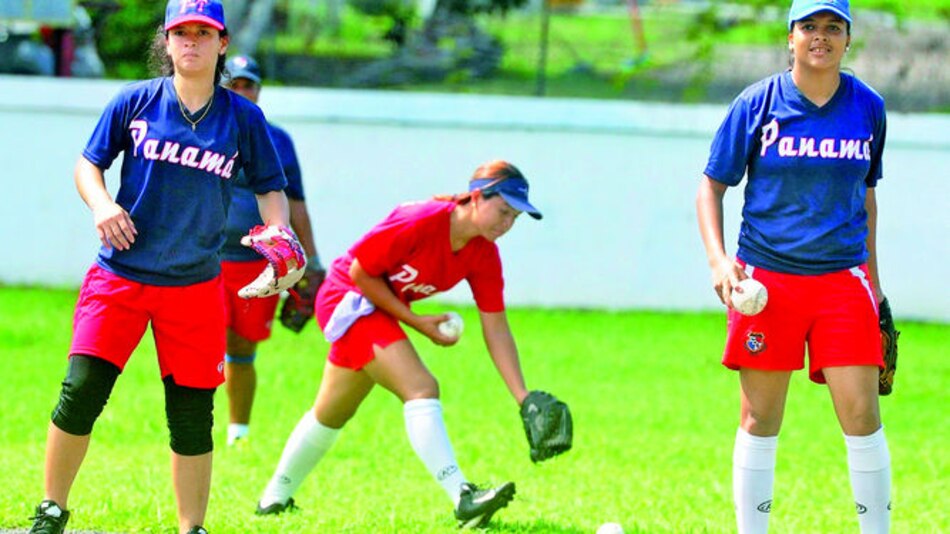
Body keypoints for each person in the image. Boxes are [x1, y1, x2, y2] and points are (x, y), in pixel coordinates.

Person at [27, 2, 300, 533]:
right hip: (121, 276)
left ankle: (191, 527)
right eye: (181, 32)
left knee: (192, 415)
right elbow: (89, 164)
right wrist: (103, 206)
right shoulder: (135, 100)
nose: (191, 42)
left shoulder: (242, 117)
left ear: (221, 43)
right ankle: (51, 509)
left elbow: (271, 188)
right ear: (167, 41)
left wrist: (279, 235)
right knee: (81, 391)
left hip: (196, 286)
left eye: (204, 32)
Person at [256, 160, 542, 529]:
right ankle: (463, 497)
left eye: (514, 218)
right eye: (503, 211)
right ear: (475, 197)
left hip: (379, 309)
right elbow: (361, 272)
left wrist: (523, 397)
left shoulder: (483, 253)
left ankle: (272, 500)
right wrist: (419, 325)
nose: (506, 224)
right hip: (348, 299)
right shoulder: (421, 219)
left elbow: (496, 326)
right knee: (421, 387)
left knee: (330, 413)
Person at [696, 1, 891, 533]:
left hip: (842, 280)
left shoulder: (868, 107)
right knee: (760, 418)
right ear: (790, 37)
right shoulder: (757, 103)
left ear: (849, 39)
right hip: (767, 278)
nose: (820, 37)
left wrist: (874, 288)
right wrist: (719, 262)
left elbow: (866, 199)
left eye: (833, 27)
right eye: (809, 26)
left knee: (862, 416)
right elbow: (711, 185)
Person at [220, 54, 326, 447]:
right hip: (206, 258)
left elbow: (295, 202)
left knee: (242, 346)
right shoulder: (203, 129)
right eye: (235, 84)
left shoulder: (277, 139)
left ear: (259, 90)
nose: (242, 91)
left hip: (258, 263)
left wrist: (311, 262)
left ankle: (238, 432)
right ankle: (192, 427)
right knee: (204, 341)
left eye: (249, 85)